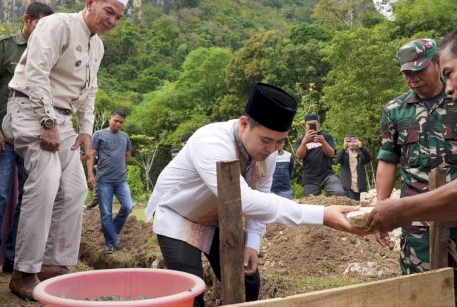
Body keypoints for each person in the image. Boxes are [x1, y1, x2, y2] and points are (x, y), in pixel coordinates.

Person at [145, 83, 368, 307]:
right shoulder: (211, 142)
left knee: (248, 282)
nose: (272, 148)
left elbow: (262, 194)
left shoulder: (268, 152)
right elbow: (246, 200)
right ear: (244, 124)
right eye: (266, 140)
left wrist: (252, 243)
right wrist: (322, 215)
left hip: (218, 219)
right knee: (191, 294)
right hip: (179, 216)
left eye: (280, 141)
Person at [2, 0, 128, 300]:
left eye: (119, 17)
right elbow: (36, 72)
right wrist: (46, 121)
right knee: (44, 185)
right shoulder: (56, 24)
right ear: (90, 2)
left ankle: (53, 265)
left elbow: (90, 90)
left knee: (74, 189)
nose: (112, 21)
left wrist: (85, 130)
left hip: (64, 120)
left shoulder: (97, 45)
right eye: (108, 12)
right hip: (30, 108)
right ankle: (24, 272)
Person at [373, 37, 457, 306]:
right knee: (418, 293)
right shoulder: (395, 110)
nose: (413, 79)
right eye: (407, 73)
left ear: (437, 63)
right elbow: (387, 160)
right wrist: (380, 208)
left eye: (419, 71)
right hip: (416, 220)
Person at [0, 2, 53, 277]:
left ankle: (13, 259)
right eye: (40, 25)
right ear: (27, 20)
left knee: (30, 199)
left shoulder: (51, 54)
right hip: (4, 136)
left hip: (33, 138)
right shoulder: (2, 46)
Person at [87, 108, 134, 254]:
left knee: (128, 206)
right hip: (103, 181)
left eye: (121, 122)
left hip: (120, 180)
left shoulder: (125, 136)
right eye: (116, 121)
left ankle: (112, 235)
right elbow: (91, 154)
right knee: (106, 213)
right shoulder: (99, 134)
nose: (118, 124)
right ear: (110, 119)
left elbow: (127, 156)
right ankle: (111, 243)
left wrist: (120, 168)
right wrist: (90, 175)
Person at [295, 114, 345, 197]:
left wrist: (323, 142)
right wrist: (304, 142)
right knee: (310, 201)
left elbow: (331, 154)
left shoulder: (327, 137)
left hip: (327, 175)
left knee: (339, 192)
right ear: (305, 125)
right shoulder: (300, 140)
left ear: (319, 124)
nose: (311, 126)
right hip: (310, 178)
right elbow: (299, 157)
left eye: (314, 124)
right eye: (309, 124)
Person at [335, 134, 371, 201]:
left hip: (358, 184)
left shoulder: (360, 154)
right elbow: (337, 160)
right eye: (349, 141)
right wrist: (343, 148)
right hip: (347, 184)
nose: (351, 143)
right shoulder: (344, 153)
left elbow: (368, 158)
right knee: (349, 203)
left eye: (354, 141)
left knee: (356, 204)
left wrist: (361, 147)